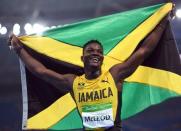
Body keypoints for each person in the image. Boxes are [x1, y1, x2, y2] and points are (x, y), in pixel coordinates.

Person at [9, 14, 171, 131]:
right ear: (82, 57)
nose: (95, 53)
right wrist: (19, 49)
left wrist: (162, 21)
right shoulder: (73, 82)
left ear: (102, 58)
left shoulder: (114, 75)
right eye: (90, 51)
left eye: (99, 51)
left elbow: (143, 51)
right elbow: (41, 71)